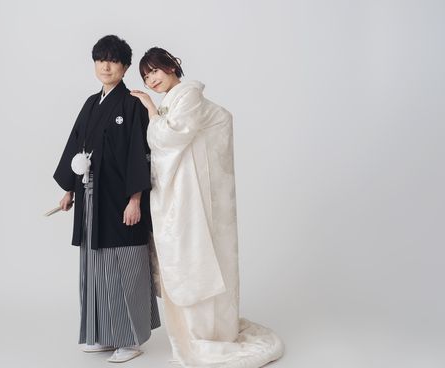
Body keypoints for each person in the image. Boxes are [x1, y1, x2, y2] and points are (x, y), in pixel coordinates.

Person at [130, 47, 284, 367]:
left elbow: (169, 138)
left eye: (155, 70)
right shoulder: (174, 100)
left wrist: (150, 109)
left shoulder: (188, 95)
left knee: (197, 256)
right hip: (188, 191)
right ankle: (194, 332)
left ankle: (207, 333)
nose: (151, 80)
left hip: (195, 193)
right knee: (190, 256)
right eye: (145, 77)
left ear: (172, 67)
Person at [53, 35, 160, 363]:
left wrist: (135, 199)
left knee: (125, 264)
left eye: (113, 61)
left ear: (125, 67)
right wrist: (69, 189)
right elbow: (76, 146)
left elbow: (139, 153)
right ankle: (102, 334)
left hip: (121, 198)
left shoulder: (132, 103)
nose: (106, 66)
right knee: (95, 266)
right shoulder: (90, 103)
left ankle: (130, 339)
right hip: (91, 199)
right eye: (101, 60)